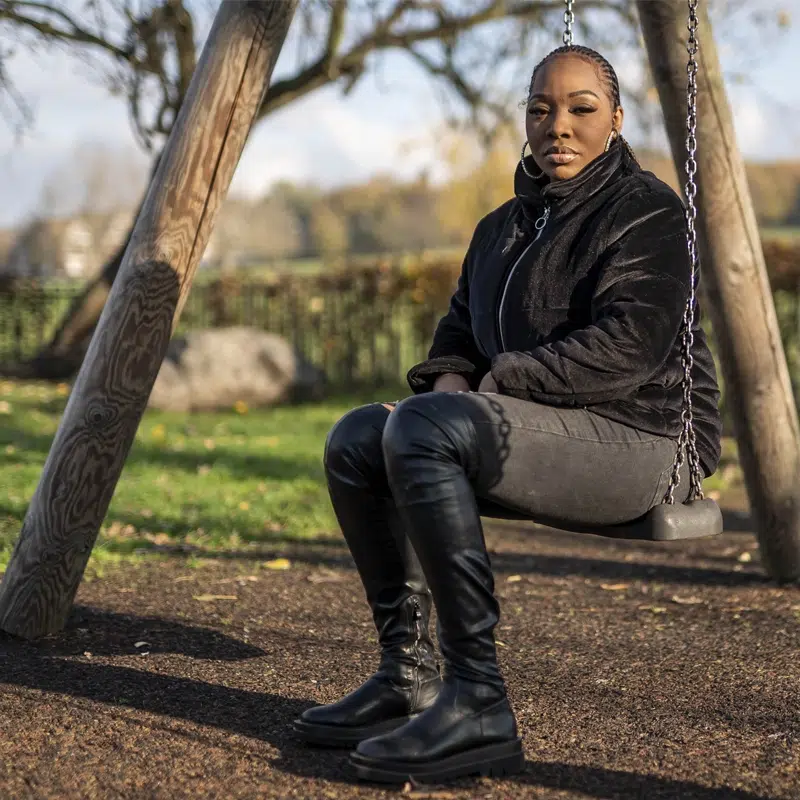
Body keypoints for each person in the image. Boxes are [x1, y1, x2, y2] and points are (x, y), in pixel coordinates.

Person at [293, 44, 722, 784]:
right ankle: (410, 673)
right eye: (541, 108)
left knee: (426, 426)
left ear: (615, 119)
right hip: (541, 430)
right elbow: (457, 331)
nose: (559, 125)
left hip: (644, 437)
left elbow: (628, 347)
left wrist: (489, 387)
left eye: (582, 109)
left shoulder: (648, 213)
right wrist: (452, 377)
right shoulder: (500, 228)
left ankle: (478, 700)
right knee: (360, 437)